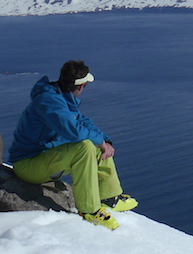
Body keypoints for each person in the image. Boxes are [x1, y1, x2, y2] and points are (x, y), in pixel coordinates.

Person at [8, 60, 137, 230]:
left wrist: (104, 141)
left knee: (96, 144)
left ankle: (109, 197)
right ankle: (89, 211)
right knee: (85, 147)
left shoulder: (61, 97)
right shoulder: (48, 101)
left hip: (44, 159)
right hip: (28, 165)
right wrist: (99, 141)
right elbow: (75, 132)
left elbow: (82, 122)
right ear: (81, 86)